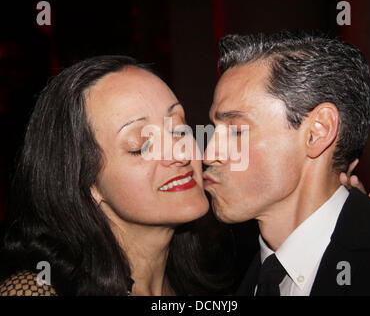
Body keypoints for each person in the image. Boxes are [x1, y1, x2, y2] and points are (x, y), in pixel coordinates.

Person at [0, 55, 232, 296]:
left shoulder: (209, 283)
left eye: (178, 128)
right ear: (87, 182)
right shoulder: (35, 291)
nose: (181, 153)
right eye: (141, 145)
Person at [203, 31, 370, 295]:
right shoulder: (230, 277)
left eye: (236, 130)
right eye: (214, 129)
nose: (209, 154)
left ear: (317, 131)